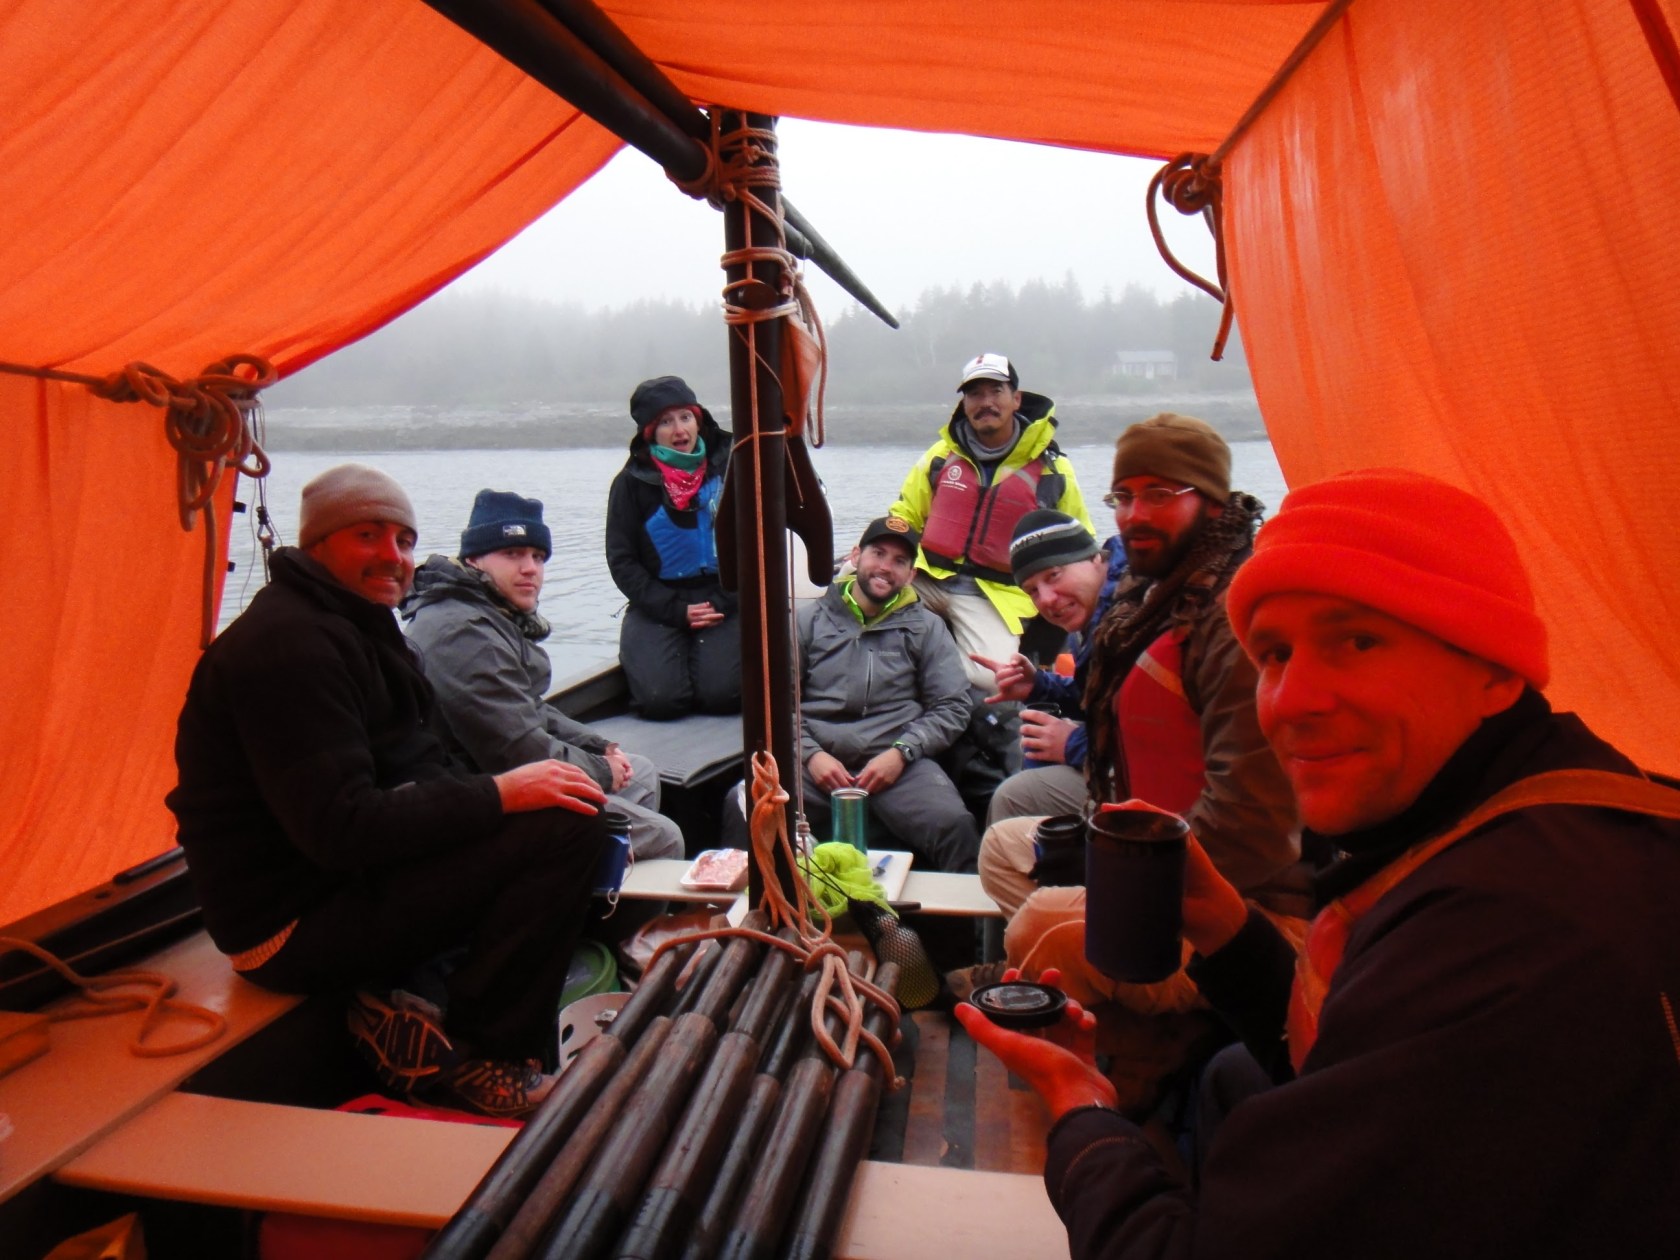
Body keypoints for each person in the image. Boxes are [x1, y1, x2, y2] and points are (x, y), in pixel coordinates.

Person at [959, 466, 1680, 1258]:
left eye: (1358, 640)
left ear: (1497, 665)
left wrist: (1082, 1113)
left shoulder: (1509, 933)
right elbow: (1354, 1043)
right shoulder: (1551, 811)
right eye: (1272, 654)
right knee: (1235, 1075)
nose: (1293, 699)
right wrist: (1227, 930)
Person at [167, 465, 610, 1119]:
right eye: (367, 536)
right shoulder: (288, 647)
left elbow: (418, 766)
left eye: (403, 540)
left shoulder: (358, 628)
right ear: (317, 545)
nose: (392, 557)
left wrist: (497, 800)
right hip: (288, 925)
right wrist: (498, 795)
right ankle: (486, 1060)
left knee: (561, 811)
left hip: (341, 883)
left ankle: (428, 1008)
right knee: (566, 832)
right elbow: (339, 828)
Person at [970, 414, 1305, 1012]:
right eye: (1123, 497)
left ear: (1211, 498)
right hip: (1149, 826)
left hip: (1247, 904)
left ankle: (1144, 1041)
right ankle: (1125, 1009)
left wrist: (1119, 877)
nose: (1134, 515)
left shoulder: (1231, 620)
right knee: (1004, 848)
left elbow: (1253, 830)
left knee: (1040, 926)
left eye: (1159, 494)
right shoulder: (1149, 600)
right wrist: (1044, 686)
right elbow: (1120, 701)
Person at [403, 488, 684, 862]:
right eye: (512, 554)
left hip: (497, 775)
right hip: (481, 804)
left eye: (538, 557)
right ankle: (604, 913)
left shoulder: (486, 612)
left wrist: (597, 745)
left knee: (641, 773)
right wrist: (601, 771)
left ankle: (593, 884)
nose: (529, 569)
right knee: (664, 838)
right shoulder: (462, 633)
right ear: (474, 559)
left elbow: (528, 706)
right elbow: (517, 751)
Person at [887, 353, 1094, 691]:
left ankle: (929, 671)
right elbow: (905, 513)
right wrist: (879, 549)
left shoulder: (1054, 470)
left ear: (1016, 399)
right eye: (974, 395)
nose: (985, 403)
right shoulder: (940, 455)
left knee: (992, 678)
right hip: (927, 577)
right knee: (852, 577)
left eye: (995, 392)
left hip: (994, 595)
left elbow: (1079, 542)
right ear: (965, 404)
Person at [796, 517, 979, 872]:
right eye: (877, 553)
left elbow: (953, 705)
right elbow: (777, 704)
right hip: (813, 760)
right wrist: (811, 754)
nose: (885, 567)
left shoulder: (927, 628)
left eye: (899, 561)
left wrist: (902, 753)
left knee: (955, 826)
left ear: (911, 575)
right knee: (745, 804)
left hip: (898, 763)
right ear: (855, 555)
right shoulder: (808, 621)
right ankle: (751, 920)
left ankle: (966, 927)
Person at [972, 509, 1126, 831]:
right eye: (1032, 591)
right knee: (1034, 751)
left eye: (1054, 575)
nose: (1047, 600)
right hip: (1119, 760)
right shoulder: (1095, 613)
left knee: (1013, 798)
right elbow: (1097, 697)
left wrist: (1073, 744)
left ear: (1095, 558)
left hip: (1155, 785)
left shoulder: (1129, 617)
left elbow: (1150, 740)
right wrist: (1038, 686)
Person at [606, 375, 740, 719]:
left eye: (685, 417)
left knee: (722, 696)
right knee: (659, 701)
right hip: (658, 601)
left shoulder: (732, 466)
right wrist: (676, 610)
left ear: (698, 420)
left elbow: (759, 545)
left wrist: (724, 601)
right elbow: (622, 561)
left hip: (724, 597)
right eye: (665, 422)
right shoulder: (629, 484)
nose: (679, 429)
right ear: (650, 432)